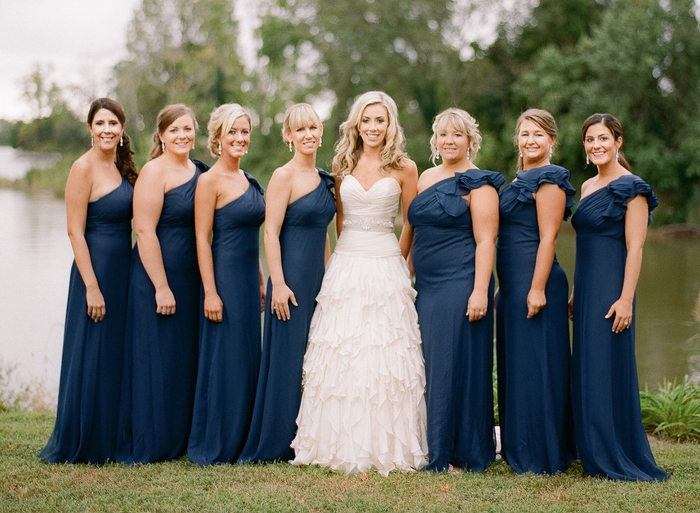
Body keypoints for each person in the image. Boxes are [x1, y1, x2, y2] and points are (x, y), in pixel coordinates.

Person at [291, 91, 427, 476]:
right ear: (356, 124)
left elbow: (411, 222)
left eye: (379, 120)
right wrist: (338, 256)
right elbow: (338, 219)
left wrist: (398, 262)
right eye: (365, 120)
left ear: (390, 125)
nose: (372, 127)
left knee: (387, 356)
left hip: (387, 261)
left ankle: (388, 443)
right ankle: (334, 440)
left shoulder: (405, 167)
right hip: (346, 262)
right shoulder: (341, 163)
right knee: (342, 350)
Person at [570, 113, 668, 481]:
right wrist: (577, 291)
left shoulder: (633, 188)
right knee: (589, 367)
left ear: (618, 142)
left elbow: (636, 247)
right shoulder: (587, 186)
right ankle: (593, 449)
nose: (596, 145)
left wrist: (626, 298)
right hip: (587, 285)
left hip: (614, 287)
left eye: (603, 139)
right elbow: (584, 246)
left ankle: (615, 452)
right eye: (590, 140)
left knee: (607, 366)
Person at [39, 98, 137, 464]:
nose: (107, 129)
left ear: (122, 129)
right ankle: (85, 438)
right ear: (90, 129)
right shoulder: (82, 168)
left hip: (123, 271)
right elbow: (74, 232)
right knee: (91, 351)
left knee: (115, 352)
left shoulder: (123, 167)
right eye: (100, 123)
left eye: (114, 123)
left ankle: (112, 435)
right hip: (92, 273)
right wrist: (92, 286)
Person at [238, 103, 335, 464]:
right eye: (300, 129)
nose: (308, 134)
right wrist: (278, 283)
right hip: (290, 281)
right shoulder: (284, 176)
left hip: (318, 280)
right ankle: (278, 439)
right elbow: (271, 233)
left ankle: (310, 436)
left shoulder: (328, 179)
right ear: (289, 136)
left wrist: (330, 279)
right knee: (288, 358)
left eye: (313, 127)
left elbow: (324, 234)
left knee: (316, 357)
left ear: (320, 131)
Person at [408, 108, 503, 472]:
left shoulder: (479, 182)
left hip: (461, 280)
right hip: (426, 286)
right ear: (435, 140)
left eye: (457, 135)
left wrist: (480, 291)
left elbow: (485, 240)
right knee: (431, 363)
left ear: (470, 140)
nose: (449, 141)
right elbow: (416, 231)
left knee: (451, 363)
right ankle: (434, 443)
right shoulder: (426, 176)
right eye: (443, 134)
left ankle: (455, 453)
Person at [117, 104, 208, 464]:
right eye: (174, 130)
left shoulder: (199, 171)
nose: (182, 136)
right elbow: (144, 229)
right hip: (158, 275)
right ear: (161, 135)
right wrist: (161, 286)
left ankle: (183, 435)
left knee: (183, 357)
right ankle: (154, 438)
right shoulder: (154, 172)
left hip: (191, 275)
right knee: (157, 357)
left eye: (188, 129)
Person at [496, 108, 576, 474]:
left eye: (538, 135)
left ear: (552, 141)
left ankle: (544, 452)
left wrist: (537, 288)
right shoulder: (517, 181)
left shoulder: (551, 180)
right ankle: (519, 446)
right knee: (518, 366)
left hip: (538, 284)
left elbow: (548, 237)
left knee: (541, 366)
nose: (530, 140)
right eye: (525, 133)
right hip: (512, 286)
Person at [187, 104, 265, 465]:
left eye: (244, 131)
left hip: (250, 279)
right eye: (232, 132)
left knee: (247, 354)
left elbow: (256, 234)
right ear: (217, 138)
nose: (239, 138)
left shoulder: (248, 179)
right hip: (224, 279)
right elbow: (202, 239)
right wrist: (211, 292)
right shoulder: (209, 181)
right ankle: (219, 440)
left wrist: (263, 277)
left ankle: (245, 434)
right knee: (224, 357)